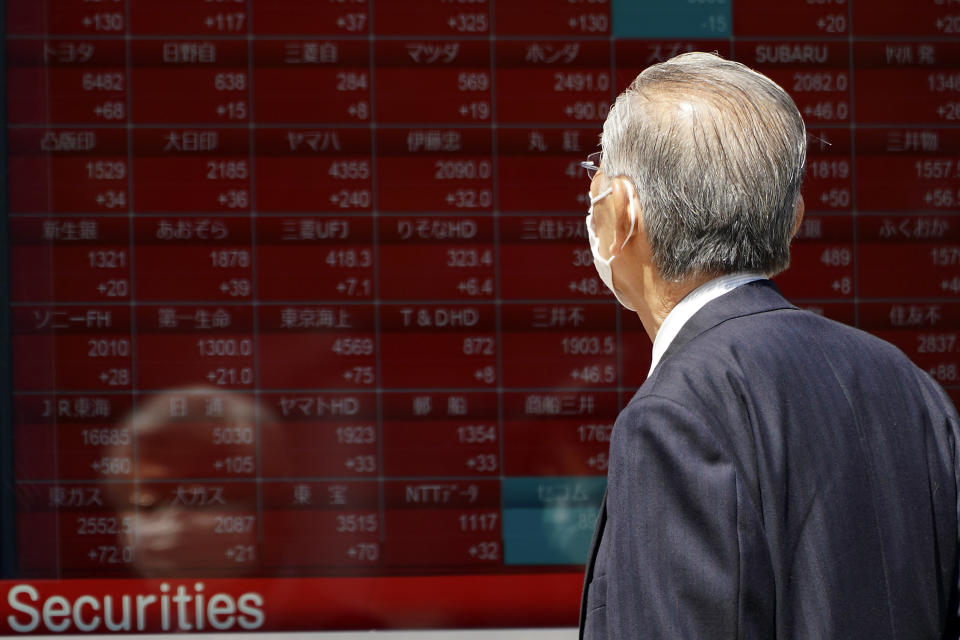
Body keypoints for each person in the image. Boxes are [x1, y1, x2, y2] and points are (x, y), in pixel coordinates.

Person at [578, 51, 960, 639]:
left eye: (595, 174)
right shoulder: (908, 384)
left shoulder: (675, 415)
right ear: (794, 217)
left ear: (624, 212)